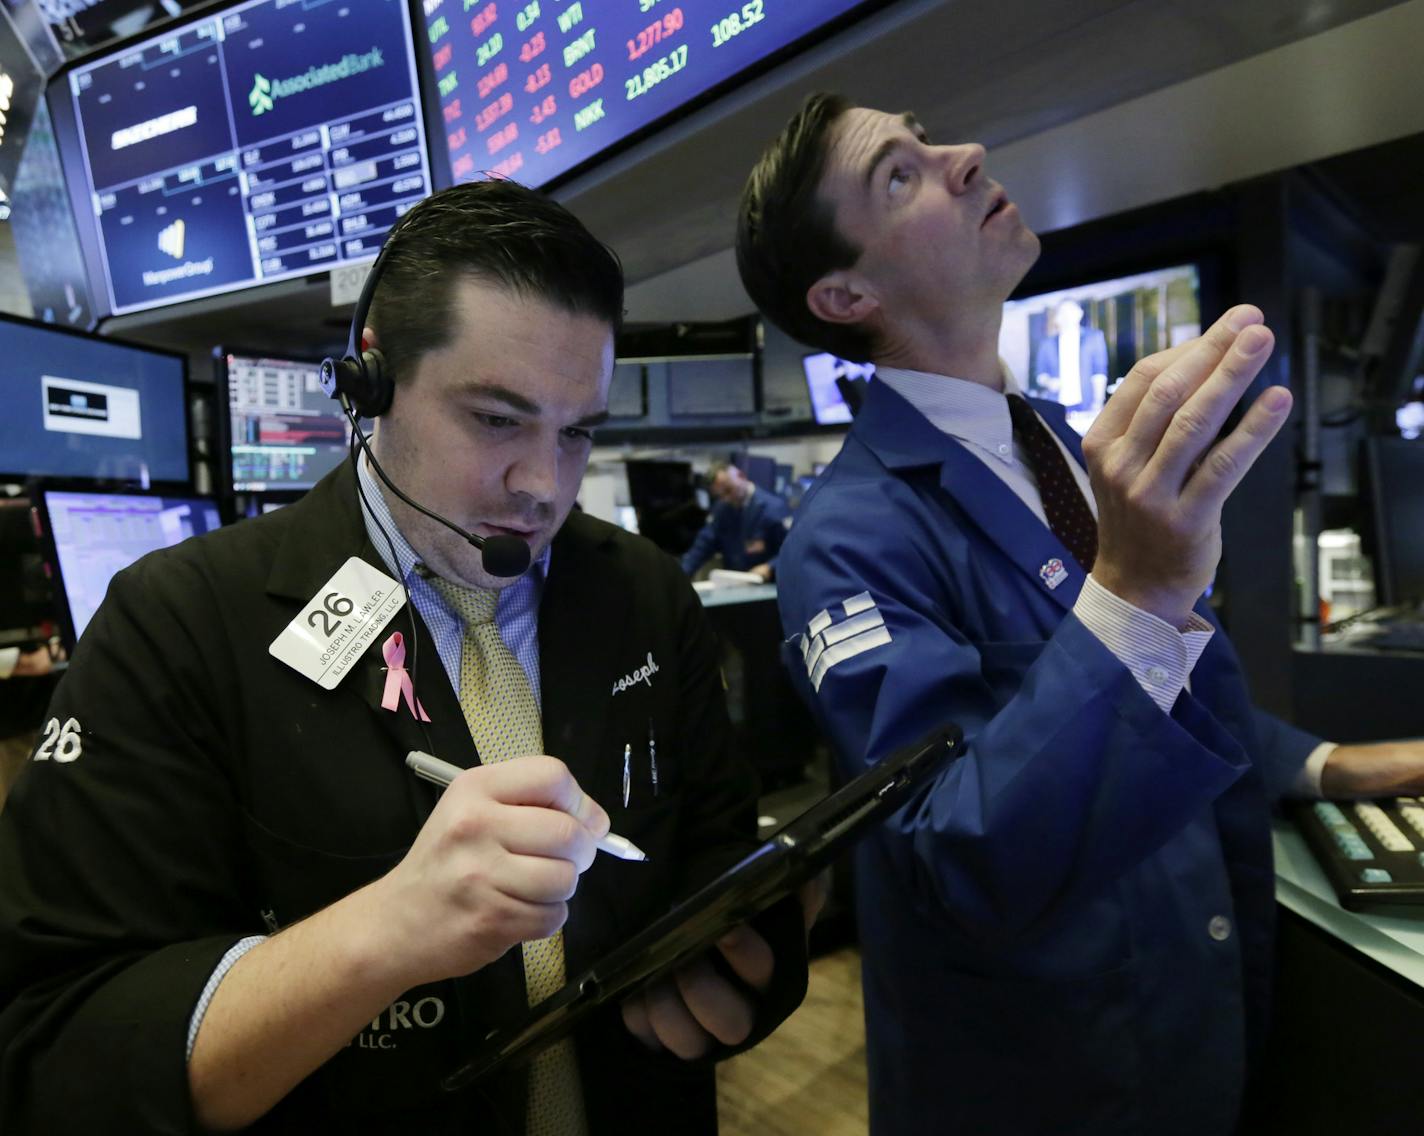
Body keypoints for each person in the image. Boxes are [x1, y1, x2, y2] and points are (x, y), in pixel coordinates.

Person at [0, 180, 810, 1135]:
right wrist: (384, 934)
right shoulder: (176, 623)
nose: (542, 486)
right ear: (370, 381)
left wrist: (748, 970)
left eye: (577, 432)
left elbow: (718, 850)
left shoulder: (642, 592)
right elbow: (53, 1047)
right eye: (497, 420)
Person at [736, 93, 1424, 1135]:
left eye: (933, 137)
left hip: (1197, 1016)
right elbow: (956, 848)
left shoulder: (1063, 440)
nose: (964, 152)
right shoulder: (843, 539)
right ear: (843, 293)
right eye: (898, 172)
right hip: (1044, 1073)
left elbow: (1176, 693)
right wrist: (1138, 591)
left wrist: (1333, 764)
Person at [679, 461, 791, 581]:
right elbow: (704, 544)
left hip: (766, 585)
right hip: (734, 583)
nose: (726, 499)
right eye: (720, 495)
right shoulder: (722, 510)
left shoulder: (773, 508)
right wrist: (681, 575)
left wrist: (770, 566)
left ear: (741, 476)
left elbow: (791, 549)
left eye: (728, 490)